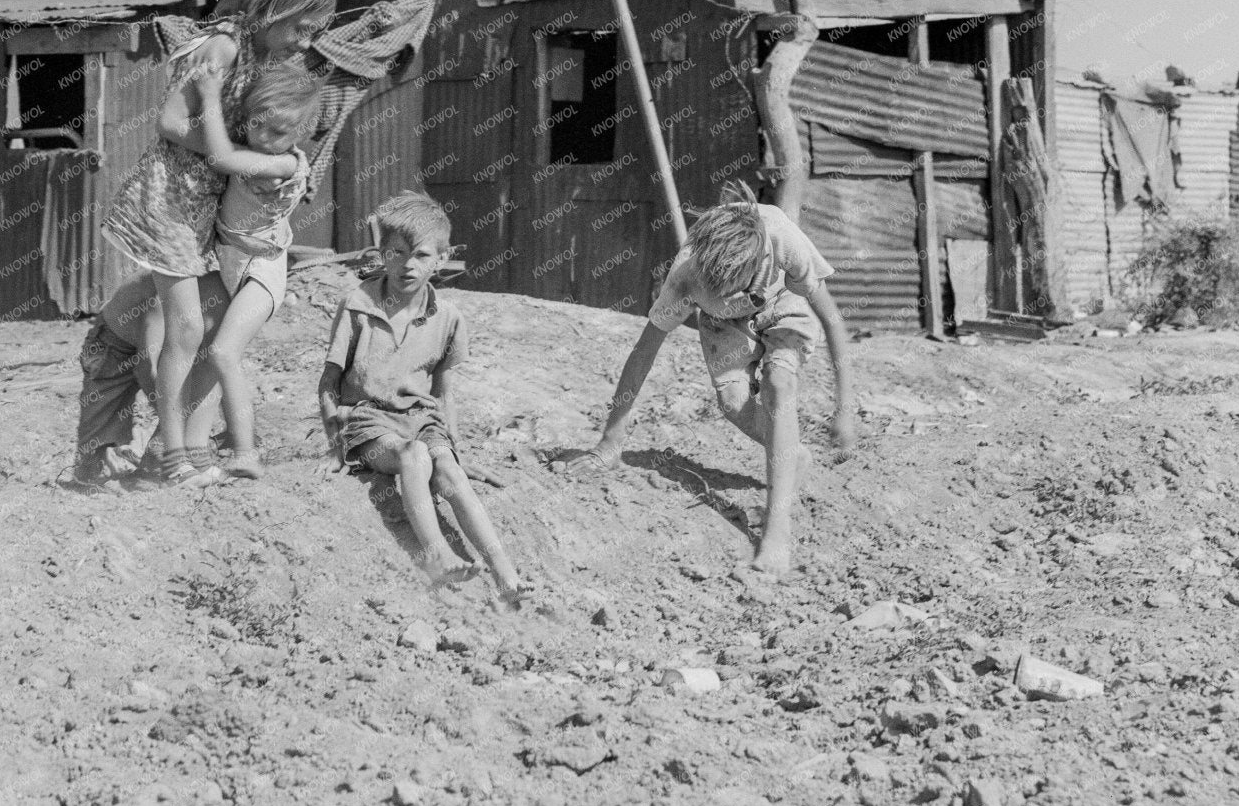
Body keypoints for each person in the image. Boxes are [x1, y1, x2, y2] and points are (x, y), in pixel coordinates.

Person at [101, 0, 336, 485]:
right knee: (185, 329)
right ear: (274, 7)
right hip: (171, 200)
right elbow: (168, 120)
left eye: (313, 31)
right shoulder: (224, 47)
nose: (305, 42)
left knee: (206, 330)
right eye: (300, 28)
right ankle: (172, 460)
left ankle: (180, 451)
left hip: (203, 205)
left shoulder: (269, 60)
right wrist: (228, 150)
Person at [587, 182, 857, 575]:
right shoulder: (685, 277)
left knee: (780, 385)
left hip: (782, 303)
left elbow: (832, 320)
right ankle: (790, 452)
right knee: (732, 404)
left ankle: (776, 535)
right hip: (721, 323)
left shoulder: (782, 237)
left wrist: (844, 410)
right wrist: (609, 440)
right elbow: (643, 352)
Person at [318, 191, 522, 602]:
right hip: (367, 420)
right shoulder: (358, 305)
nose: (407, 265)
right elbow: (327, 383)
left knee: (448, 469)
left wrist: (456, 449)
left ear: (441, 260)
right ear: (381, 253)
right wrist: (334, 446)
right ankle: (436, 556)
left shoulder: (448, 318)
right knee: (414, 456)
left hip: (421, 418)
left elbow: (445, 393)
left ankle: (508, 577)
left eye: (421, 255)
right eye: (396, 253)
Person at [189, 57, 322, 479]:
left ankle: (246, 453)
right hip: (233, 260)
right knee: (207, 358)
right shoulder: (263, 148)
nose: (264, 138)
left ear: (301, 135)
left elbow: (221, 158)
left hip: (262, 270)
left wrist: (209, 93)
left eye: (278, 132)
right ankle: (199, 445)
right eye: (257, 124)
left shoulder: (283, 165)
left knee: (224, 353)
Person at [74, 273, 229, 484]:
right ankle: (166, 458)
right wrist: (173, 421)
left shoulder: (214, 288)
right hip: (110, 350)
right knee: (94, 461)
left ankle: (156, 464)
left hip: (152, 347)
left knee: (193, 385)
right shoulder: (175, 286)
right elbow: (146, 366)